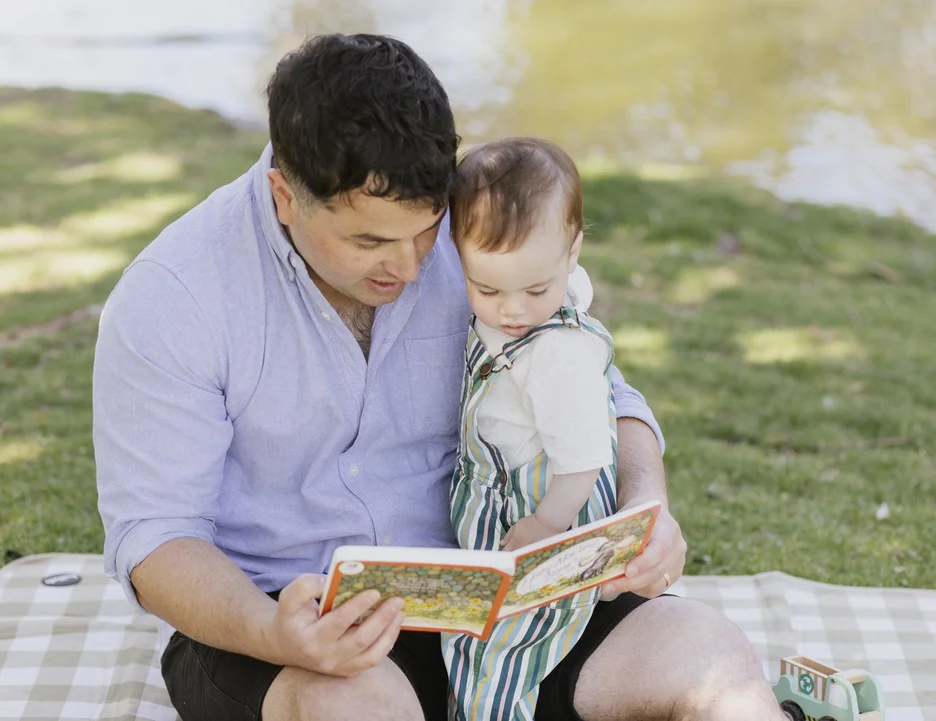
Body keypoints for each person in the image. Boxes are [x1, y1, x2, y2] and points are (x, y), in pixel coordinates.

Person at [93, 32, 792, 721]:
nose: (410, 265)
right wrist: (272, 628)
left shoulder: (474, 228)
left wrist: (648, 506)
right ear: (284, 195)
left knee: (711, 657)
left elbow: (606, 392)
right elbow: (156, 538)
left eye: (426, 229)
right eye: (369, 240)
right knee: (354, 710)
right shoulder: (174, 295)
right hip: (286, 622)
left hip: (504, 610)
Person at [442, 137, 624, 721]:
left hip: (545, 506)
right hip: (519, 495)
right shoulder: (538, 291)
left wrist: (546, 523)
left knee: (501, 654)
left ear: (572, 252)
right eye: (487, 290)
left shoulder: (557, 357)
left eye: (535, 290)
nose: (512, 311)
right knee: (469, 640)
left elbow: (585, 458)